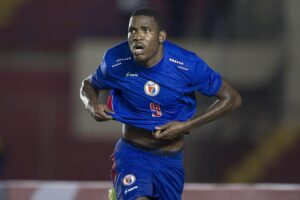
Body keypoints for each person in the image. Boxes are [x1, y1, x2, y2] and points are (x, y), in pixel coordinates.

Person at [80, 7, 241, 200]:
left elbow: (232, 98)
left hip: (170, 161)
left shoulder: (187, 64)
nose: (137, 36)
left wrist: (188, 125)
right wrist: (92, 104)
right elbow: (88, 84)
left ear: (161, 36)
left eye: (145, 30)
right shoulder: (116, 60)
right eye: (132, 30)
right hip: (133, 154)